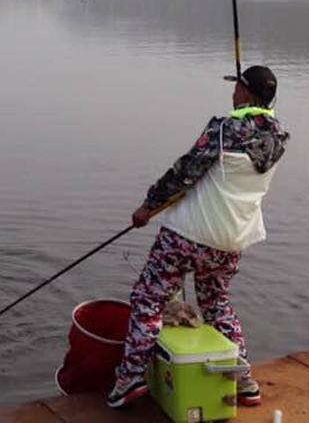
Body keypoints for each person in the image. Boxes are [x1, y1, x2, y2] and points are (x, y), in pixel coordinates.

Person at [106, 65, 289, 410]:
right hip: (230, 241)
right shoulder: (277, 137)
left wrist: (147, 207)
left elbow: (184, 172)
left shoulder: (224, 130)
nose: (232, 93)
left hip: (188, 235)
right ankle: (244, 380)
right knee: (216, 304)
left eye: (237, 87)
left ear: (246, 93)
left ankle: (129, 378)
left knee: (148, 297)